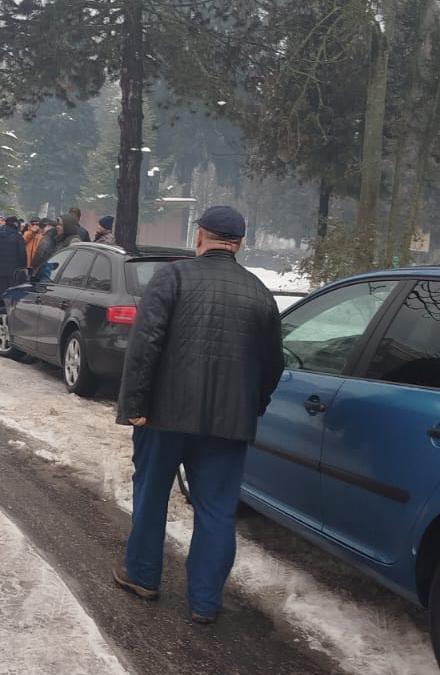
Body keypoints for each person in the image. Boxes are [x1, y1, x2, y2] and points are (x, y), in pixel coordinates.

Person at [112, 205, 283, 625]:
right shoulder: (259, 291)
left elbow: (145, 344)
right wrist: (251, 407)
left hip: (163, 417)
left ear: (200, 236)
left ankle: (143, 576)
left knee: (151, 497)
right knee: (217, 511)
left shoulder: (172, 277)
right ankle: (205, 601)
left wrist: (134, 406)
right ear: (240, 243)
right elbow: (272, 364)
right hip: (229, 424)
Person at [0, 215, 26, 308]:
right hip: (14, 269)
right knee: (10, 291)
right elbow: (22, 254)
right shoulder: (18, 237)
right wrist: (23, 267)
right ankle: (8, 306)